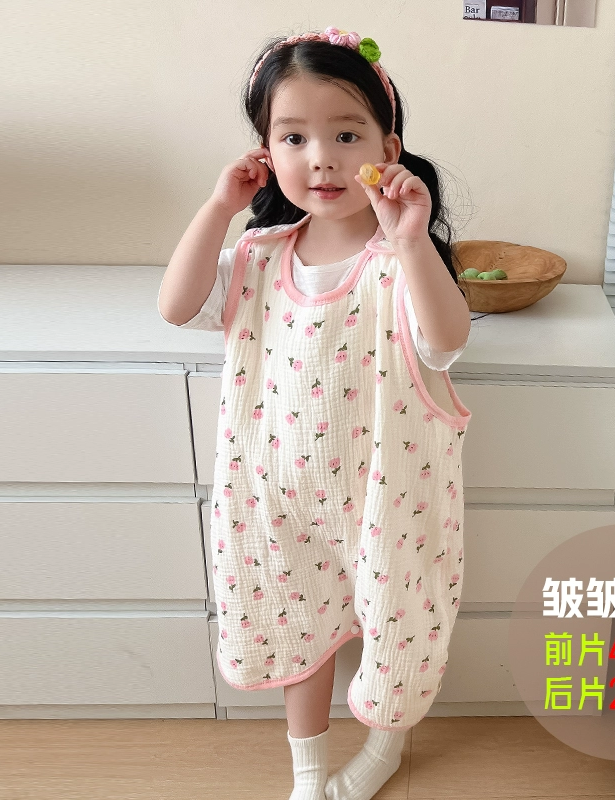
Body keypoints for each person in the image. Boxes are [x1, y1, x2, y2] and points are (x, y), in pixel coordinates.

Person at [158, 25, 472, 800]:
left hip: (387, 501)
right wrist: (219, 207)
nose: (321, 158)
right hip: (279, 501)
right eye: (294, 137)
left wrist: (411, 240)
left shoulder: (401, 263)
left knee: (395, 631)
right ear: (265, 152)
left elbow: (444, 343)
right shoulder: (259, 257)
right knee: (298, 631)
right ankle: (307, 773)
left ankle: (385, 749)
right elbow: (177, 306)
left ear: (388, 148)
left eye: (346, 134)